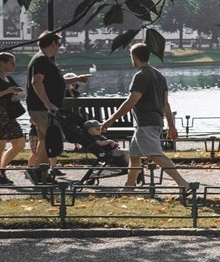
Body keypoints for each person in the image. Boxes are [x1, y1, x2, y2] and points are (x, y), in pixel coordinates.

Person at [97, 44, 193, 199]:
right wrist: (171, 126)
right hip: (154, 121)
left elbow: (131, 101)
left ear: (134, 57)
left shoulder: (140, 76)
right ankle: (129, 188)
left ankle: (183, 184)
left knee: (155, 155)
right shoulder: (159, 75)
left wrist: (110, 120)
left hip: (145, 123)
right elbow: (165, 104)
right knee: (134, 156)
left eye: (131, 57)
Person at [23, 31, 89, 186]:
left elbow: (55, 82)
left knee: (44, 140)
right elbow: (36, 82)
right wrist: (47, 103)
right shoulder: (41, 60)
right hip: (42, 108)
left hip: (44, 108)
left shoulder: (46, 60)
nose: (60, 47)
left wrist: (77, 79)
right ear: (52, 43)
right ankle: (38, 172)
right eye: (58, 44)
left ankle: (39, 171)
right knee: (47, 140)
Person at [0, 51, 27, 186]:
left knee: (20, 143)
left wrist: (18, 94)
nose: (13, 65)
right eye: (11, 62)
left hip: (9, 116)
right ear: (1, 63)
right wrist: (7, 92)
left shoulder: (8, 78)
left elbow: (16, 91)